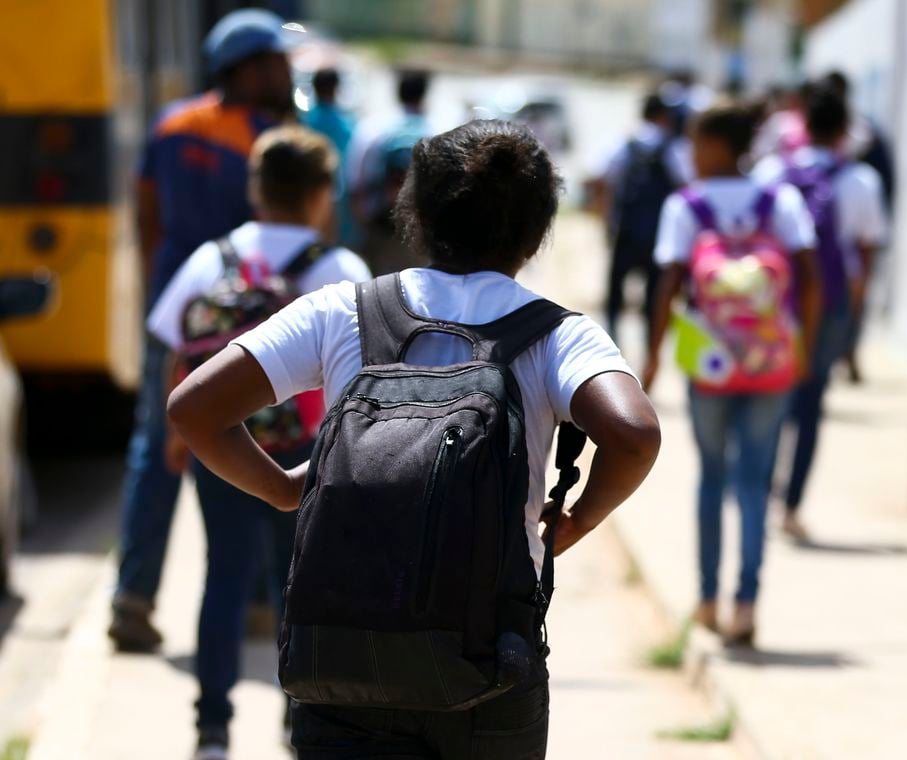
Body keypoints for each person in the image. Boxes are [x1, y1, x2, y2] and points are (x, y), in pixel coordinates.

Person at [166, 119, 660, 759]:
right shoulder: (558, 336)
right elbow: (635, 433)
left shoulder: (341, 309)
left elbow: (195, 408)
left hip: (342, 664)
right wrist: (577, 518)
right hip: (488, 668)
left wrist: (287, 490)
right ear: (539, 232)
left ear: (413, 212)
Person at [148, 126, 370, 760]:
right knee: (298, 587)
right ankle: (297, 720)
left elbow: (179, 351)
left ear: (256, 189)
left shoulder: (210, 258)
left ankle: (212, 729)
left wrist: (176, 436)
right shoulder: (338, 269)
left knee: (223, 575)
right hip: (306, 454)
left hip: (221, 448)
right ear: (323, 194)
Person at [109, 8, 295, 653]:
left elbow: (146, 217)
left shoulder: (171, 124)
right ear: (245, 68)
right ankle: (249, 604)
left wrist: (155, 301)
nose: (286, 70)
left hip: (174, 311)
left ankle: (133, 595)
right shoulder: (264, 138)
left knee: (153, 453)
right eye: (275, 60)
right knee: (252, 448)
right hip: (242, 325)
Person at [644, 104, 821, 645]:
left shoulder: (686, 206)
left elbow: (669, 285)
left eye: (698, 145)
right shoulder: (780, 201)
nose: (692, 156)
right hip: (770, 360)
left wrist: (652, 357)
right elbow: (810, 279)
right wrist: (804, 349)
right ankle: (747, 603)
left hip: (710, 363)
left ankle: (706, 600)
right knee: (753, 481)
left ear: (719, 146)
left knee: (712, 476)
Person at [752, 83, 888, 539]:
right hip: (830, 303)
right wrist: (851, 310)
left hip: (774, 302)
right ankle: (791, 505)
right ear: (844, 131)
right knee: (810, 401)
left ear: (803, 126)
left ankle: (762, 491)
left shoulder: (772, 172)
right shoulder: (862, 181)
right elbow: (866, 254)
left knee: (771, 395)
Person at [597, 93, 692, 348]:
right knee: (653, 297)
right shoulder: (673, 147)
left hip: (625, 230)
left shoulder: (624, 142)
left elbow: (604, 180)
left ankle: (611, 347)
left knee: (616, 294)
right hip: (657, 234)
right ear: (663, 115)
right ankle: (651, 351)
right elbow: (686, 186)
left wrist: (607, 221)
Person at [820, 70, 896, 383]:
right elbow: (885, 184)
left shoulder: (789, 151)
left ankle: (845, 353)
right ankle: (847, 351)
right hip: (849, 254)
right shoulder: (869, 133)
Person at [348, 69, 433, 275]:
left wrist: (363, 220)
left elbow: (354, 181)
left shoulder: (372, 128)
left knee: (376, 292)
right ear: (424, 94)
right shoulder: (435, 130)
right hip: (418, 229)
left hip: (379, 224)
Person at [302, 67, 358, 246]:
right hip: (340, 204)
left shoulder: (302, 121)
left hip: (306, 198)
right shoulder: (347, 124)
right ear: (336, 88)